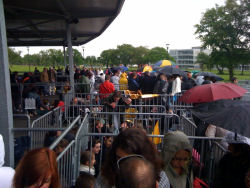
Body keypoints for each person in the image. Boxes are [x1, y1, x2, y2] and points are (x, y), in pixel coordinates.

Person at [95, 128, 170, 188]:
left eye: (130, 161)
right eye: (119, 159)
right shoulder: (104, 177)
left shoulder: (161, 178)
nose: (125, 166)